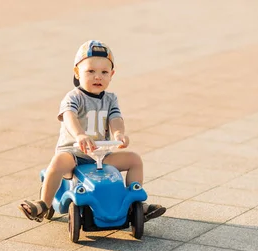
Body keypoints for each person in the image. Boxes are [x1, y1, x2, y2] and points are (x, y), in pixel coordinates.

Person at [19, 40, 166, 223]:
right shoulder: (74, 97)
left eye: (104, 72)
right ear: (77, 72)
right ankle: (43, 204)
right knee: (57, 162)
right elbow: (68, 115)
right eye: (91, 71)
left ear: (112, 74)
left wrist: (118, 134)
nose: (98, 77)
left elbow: (115, 118)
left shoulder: (111, 99)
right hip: (74, 155)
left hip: (101, 155)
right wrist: (80, 135)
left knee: (134, 159)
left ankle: (135, 202)